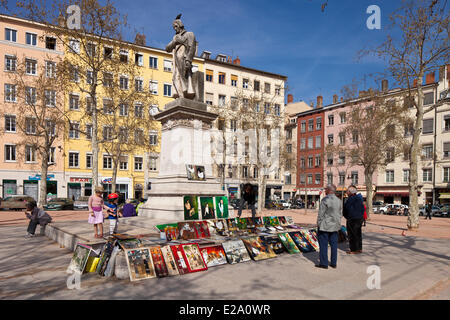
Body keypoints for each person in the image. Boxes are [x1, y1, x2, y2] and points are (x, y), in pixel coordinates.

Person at [165, 14, 197, 100]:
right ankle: (180, 96)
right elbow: (167, 48)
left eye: (176, 26)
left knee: (183, 79)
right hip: (176, 61)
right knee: (175, 78)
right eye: (174, 27)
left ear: (180, 25)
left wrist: (189, 60)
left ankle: (184, 96)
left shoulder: (189, 34)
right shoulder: (175, 37)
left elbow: (192, 48)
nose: (175, 29)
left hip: (184, 59)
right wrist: (174, 41)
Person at [315, 185, 342, 269]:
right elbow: (340, 214)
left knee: (323, 244)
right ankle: (333, 263)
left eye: (326, 189)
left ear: (329, 190)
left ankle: (324, 263)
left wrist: (319, 224)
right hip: (335, 225)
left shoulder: (325, 200)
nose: (325, 191)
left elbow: (321, 214)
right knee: (334, 245)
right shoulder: (339, 200)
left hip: (325, 225)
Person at [343, 185, 365, 254]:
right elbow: (363, 209)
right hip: (359, 218)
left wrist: (347, 216)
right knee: (358, 234)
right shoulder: (359, 198)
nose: (346, 192)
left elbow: (347, 208)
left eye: (347, 191)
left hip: (352, 218)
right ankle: (359, 248)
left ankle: (354, 249)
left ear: (350, 192)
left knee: (352, 234)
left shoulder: (351, 199)